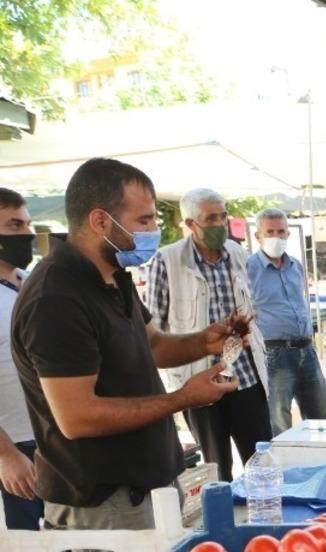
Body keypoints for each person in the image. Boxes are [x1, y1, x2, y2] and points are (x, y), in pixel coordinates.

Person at [10, 158, 240, 529]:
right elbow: (77, 416)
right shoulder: (56, 297)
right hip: (106, 502)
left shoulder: (114, 275)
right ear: (100, 221)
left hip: (149, 486)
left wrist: (205, 341)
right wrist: (183, 398)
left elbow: (155, 346)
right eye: (144, 220)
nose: (154, 230)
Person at [146, 188, 272, 483]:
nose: (220, 224)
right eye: (210, 218)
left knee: (261, 461)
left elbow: (248, 302)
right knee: (217, 469)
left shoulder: (238, 253)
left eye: (223, 216)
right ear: (190, 224)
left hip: (245, 376)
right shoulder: (167, 261)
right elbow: (155, 329)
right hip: (200, 381)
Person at [247, 208, 326, 435]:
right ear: (258, 236)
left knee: (322, 416)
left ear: (288, 234)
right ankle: (285, 468)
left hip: (306, 348)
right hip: (275, 353)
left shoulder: (295, 266)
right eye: (270, 232)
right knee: (279, 420)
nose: (276, 236)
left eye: (281, 231)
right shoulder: (249, 269)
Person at [0, 189, 43, 529]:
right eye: (14, 225)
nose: (26, 234)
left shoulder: (29, 282)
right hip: (14, 446)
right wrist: (6, 455)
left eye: (27, 224)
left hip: (50, 439)